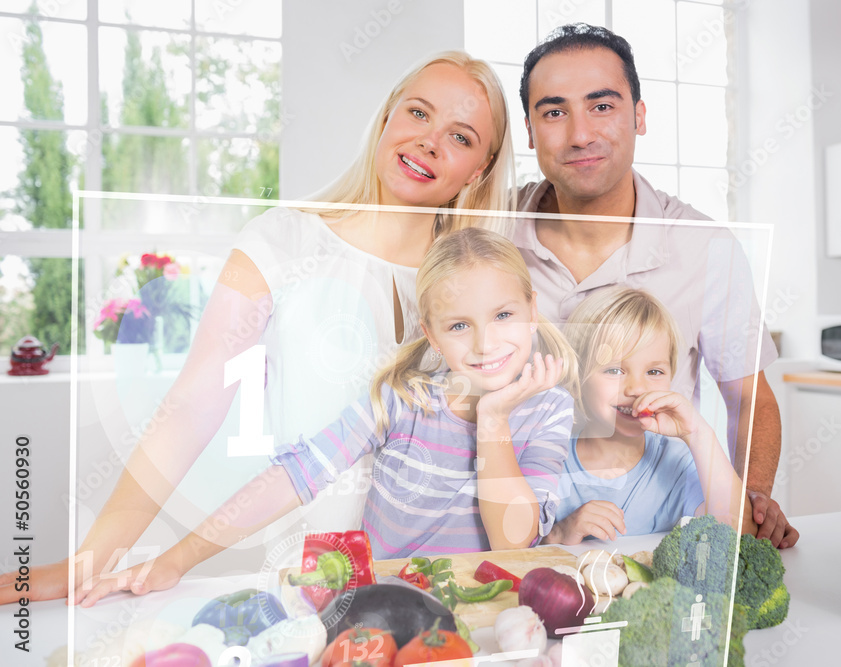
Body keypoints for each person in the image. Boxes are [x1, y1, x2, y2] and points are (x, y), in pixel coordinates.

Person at [0, 51, 517, 605]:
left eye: (461, 138)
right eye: (418, 113)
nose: (430, 142)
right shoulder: (282, 242)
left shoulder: (485, 284)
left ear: (480, 171)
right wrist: (88, 562)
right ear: (388, 117)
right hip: (300, 583)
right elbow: (193, 408)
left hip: (445, 586)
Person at [74, 228, 578, 604]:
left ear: (533, 308)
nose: (486, 342)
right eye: (460, 325)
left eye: (504, 315)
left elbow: (513, 540)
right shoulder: (402, 401)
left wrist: (493, 421)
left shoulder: (550, 410)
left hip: (491, 614)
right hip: (383, 614)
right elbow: (291, 478)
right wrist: (174, 561)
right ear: (430, 332)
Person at [515, 24, 798, 548]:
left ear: (639, 117)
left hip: (657, 540)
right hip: (519, 539)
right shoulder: (489, 231)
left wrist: (747, 500)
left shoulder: (704, 246)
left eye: (602, 106)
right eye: (554, 112)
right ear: (529, 131)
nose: (579, 134)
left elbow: (750, 399)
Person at [543, 287, 754, 545]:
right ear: (576, 377)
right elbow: (513, 552)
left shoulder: (676, 463)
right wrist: (559, 533)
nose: (636, 389)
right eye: (615, 370)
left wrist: (698, 433)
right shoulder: (546, 458)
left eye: (654, 372)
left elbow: (740, 532)